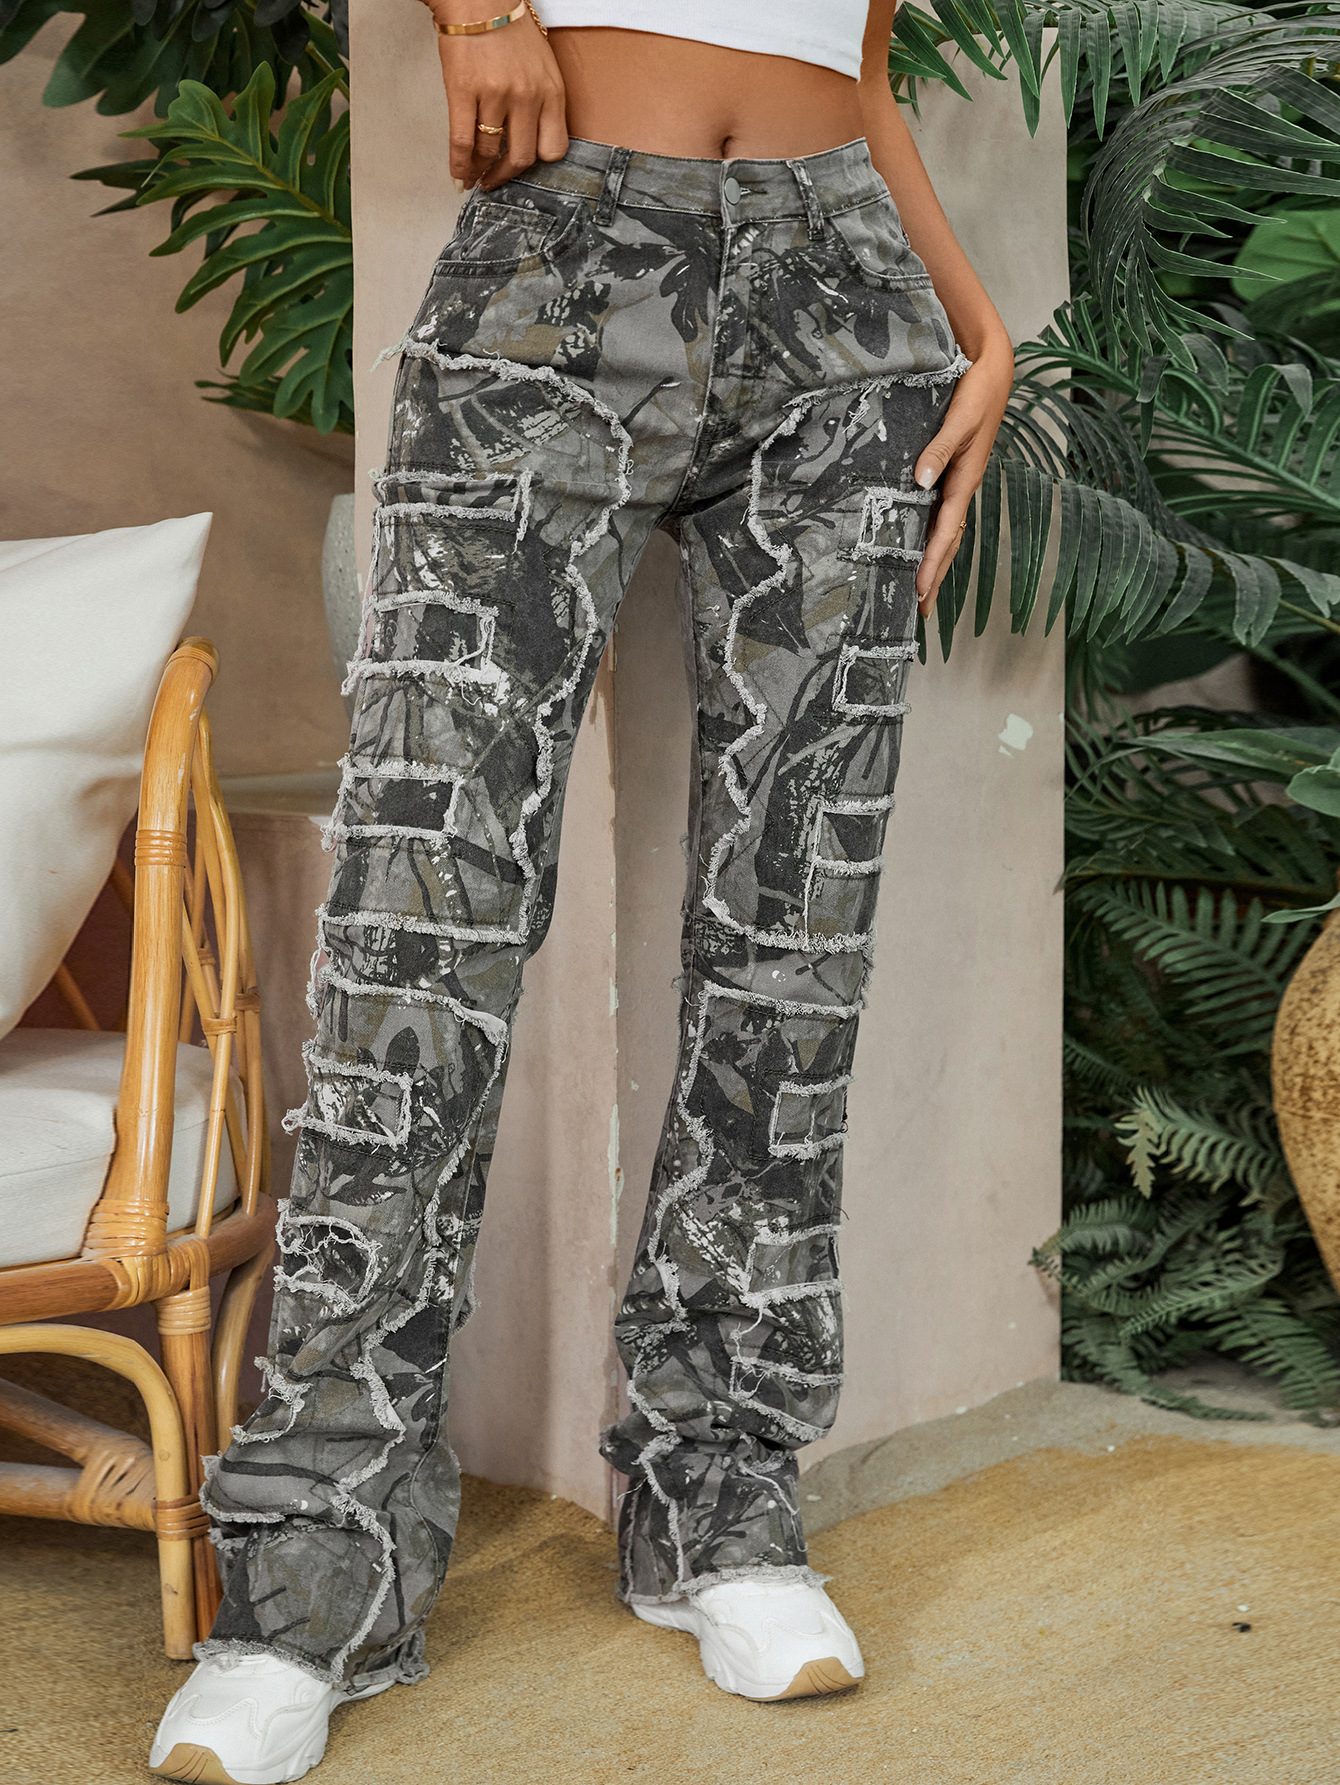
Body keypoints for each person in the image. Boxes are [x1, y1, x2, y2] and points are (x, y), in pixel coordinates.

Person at [150, 3, 1013, 1778]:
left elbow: (854, 54)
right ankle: (310, 1578)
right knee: (420, 927)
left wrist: (974, 320)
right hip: (556, 255)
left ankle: (721, 1501)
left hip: (849, 301)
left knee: (796, 931)